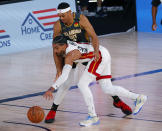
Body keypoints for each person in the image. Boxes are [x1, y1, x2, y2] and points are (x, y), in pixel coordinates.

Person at [44, 2, 132, 124]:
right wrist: (58, 69)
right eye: (59, 16)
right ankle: (53, 110)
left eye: (63, 16)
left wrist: (96, 51)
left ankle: (117, 100)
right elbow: (55, 50)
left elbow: (94, 36)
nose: (61, 18)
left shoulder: (81, 19)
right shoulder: (58, 25)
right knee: (66, 83)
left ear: (70, 13)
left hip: (85, 51)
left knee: (102, 80)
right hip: (70, 53)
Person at [43, 35, 147, 126]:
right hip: (103, 52)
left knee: (82, 84)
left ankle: (92, 116)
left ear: (64, 45)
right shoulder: (66, 43)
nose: (55, 51)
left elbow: (65, 75)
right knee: (107, 88)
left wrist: (52, 88)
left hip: (98, 56)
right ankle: (138, 98)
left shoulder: (70, 55)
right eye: (54, 48)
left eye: (57, 48)